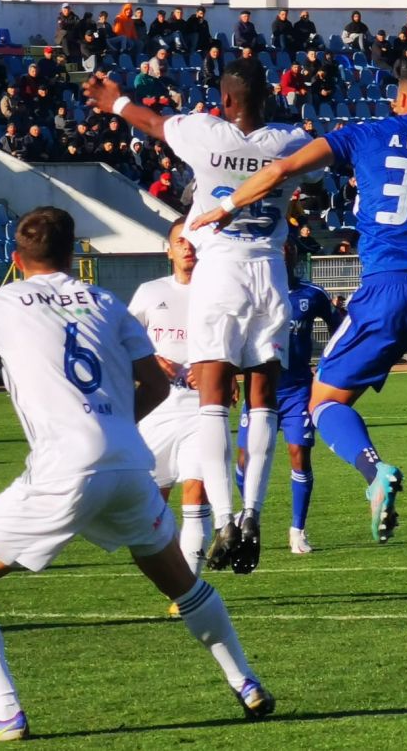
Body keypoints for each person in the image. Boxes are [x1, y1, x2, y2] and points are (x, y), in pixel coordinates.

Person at [0, 207, 275, 741]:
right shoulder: (105, 301)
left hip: (64, 468)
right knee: (181, 582)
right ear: (74, 255)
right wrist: (112, 430)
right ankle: (245, 681)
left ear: (16, 259)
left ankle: (5, 713)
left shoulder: (3, 302)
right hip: (129, 462)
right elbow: (155, 386)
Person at [205, 64, 407, 557]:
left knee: (324, 403)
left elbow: (281, 169)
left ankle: (374, 470)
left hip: (386, 287)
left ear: (400, 99)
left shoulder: (367, 134)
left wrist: (227, 205)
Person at [85, 59, 313, 575]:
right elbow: (319, 167)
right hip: (271, 272)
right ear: (267, 97)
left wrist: (116, 101)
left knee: (212, 400)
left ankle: (227, 517)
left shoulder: (206, 133)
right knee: (262, 400)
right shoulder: (290, 141)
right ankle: (254, 514)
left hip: (222, 272)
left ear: (226, 100)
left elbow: (151, 122)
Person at [127, 218, 213, 593]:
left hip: (202, 409)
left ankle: (189, 589)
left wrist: (219, 373)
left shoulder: (218, 293)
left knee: (196, 491)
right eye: (180, 241)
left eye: (193, 240)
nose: (187, 246)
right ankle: (171, 574)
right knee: (150, 504)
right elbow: (124, 340)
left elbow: (240, 342)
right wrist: (149, 360)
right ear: (169, 250)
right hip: (156, 411)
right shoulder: (150, 292)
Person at [234, 241, 336, 555]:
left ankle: (297, 531)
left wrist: (327, 368)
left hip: (298, 392)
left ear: (294, 256)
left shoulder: (312, 295)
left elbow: (340, 330)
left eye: (288, 249)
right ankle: (249, 515)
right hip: (259, 389)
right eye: (278, 249)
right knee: (244, 460)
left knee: (298, 454)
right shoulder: (251, 293)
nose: (283, 254)